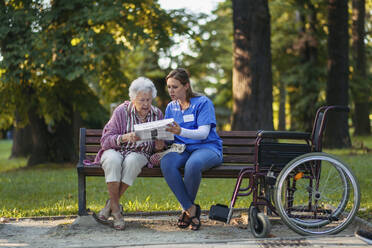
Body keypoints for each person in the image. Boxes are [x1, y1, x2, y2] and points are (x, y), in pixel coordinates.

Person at [94, 77, 165, 230]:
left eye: (148, 99)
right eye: (141, 100)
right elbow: (105, 140)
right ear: (133, 99)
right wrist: (124, 137)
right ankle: (117, 211)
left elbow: (158, 144)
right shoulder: (121, 111)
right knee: (112, 160)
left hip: (140, 154)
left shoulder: (157, 114)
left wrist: (159, 145)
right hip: (117, 149)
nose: (146, 104)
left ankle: (111, 206)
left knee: (133, 161)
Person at [160, 68, 223, 231]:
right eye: (169, 87)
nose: (171, 91)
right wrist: (160, 140)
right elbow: (170, 135)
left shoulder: (203, 103)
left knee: (193, 165)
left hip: (207, 147)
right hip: (182, 148)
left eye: (175, 87)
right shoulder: (171, 107)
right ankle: (191, 209)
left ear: (186, 86)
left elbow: (203, 134)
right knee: (166, 162)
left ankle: (185, 212)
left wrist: (180, 131)